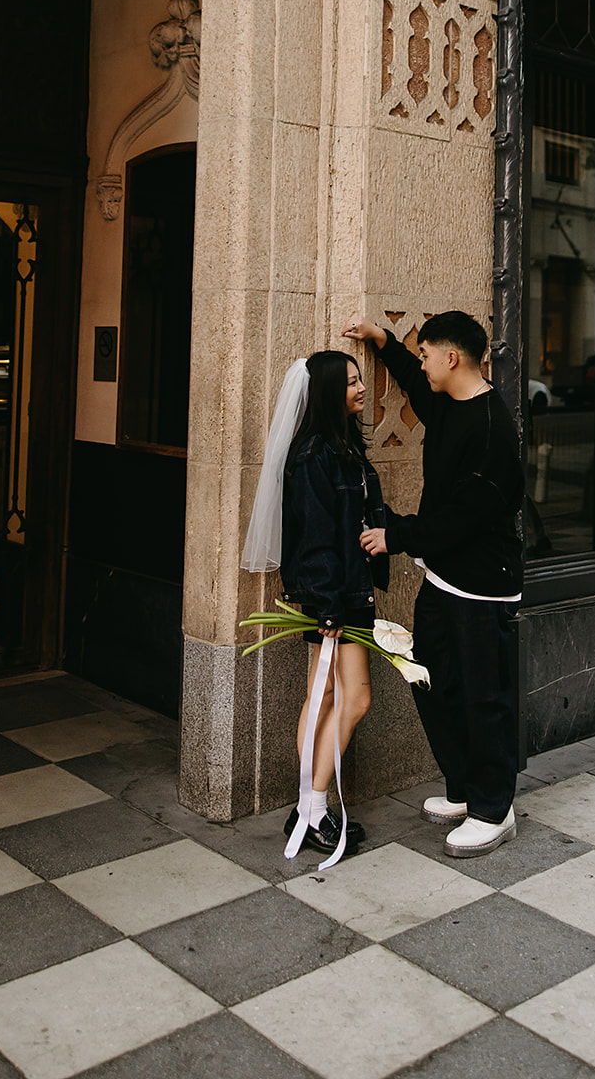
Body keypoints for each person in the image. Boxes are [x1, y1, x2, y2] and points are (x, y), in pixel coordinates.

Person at [343, 311, 524, 857]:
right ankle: (466, 787)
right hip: (444, 578)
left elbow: (461, 521)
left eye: (426, 354)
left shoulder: (492, 428)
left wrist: (392, 533)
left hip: (482, 586)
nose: (419, 362)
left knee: (481, 696)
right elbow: (415, 385)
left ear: (452, 358)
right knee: (432, 683)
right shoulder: (449, 403)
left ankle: (494, 809)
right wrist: (384, 343)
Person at [242, 351, 388, 858]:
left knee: (324, 694)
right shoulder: (314, 455)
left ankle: (309, 806)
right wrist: (328, 608)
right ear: (327, 391)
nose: (361, 388)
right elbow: (317, 539)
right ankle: (313, 806)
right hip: (337, 595)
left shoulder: (342, 447)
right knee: (355, 698)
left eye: (359, 379)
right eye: (350, 383)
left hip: (344, 589)